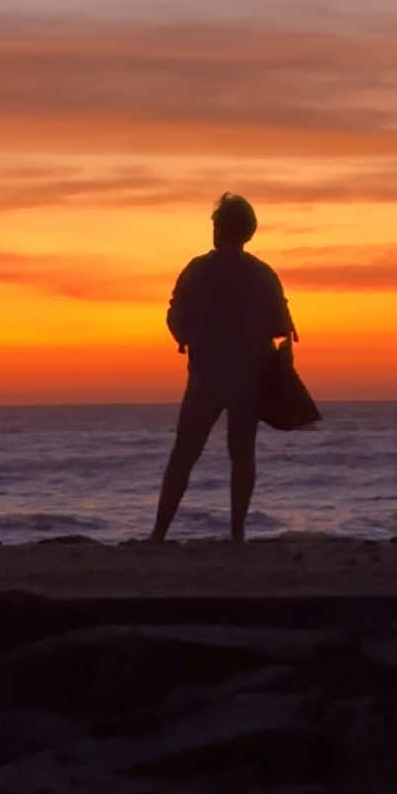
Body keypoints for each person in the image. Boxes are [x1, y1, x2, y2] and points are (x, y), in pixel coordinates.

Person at [150, 193, 294, 543]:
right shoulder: (262, 274)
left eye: (216, 223)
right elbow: (281, 323)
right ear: (248, 232)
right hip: (249, 375)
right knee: (242, 455)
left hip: (206, 377)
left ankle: (159, 534)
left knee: (184, 454)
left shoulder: (198, 270)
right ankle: (237, 533)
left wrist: (186, 336)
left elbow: (174, 315)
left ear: (220, 229)